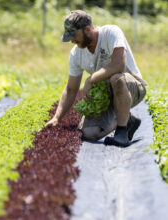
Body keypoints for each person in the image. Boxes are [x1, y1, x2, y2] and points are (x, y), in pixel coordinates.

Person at [45, 10, 147, 147]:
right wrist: (57, 118)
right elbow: (71, 89)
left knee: (117, 78)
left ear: (87, 29)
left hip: (131, 87)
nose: (72, 40)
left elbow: (119, 64)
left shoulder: (110, 33)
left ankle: (122, 133)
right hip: (106, 97)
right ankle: (126, 120)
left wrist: (90, 79)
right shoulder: (76, 53)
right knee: (89, 134)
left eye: (74, 35)